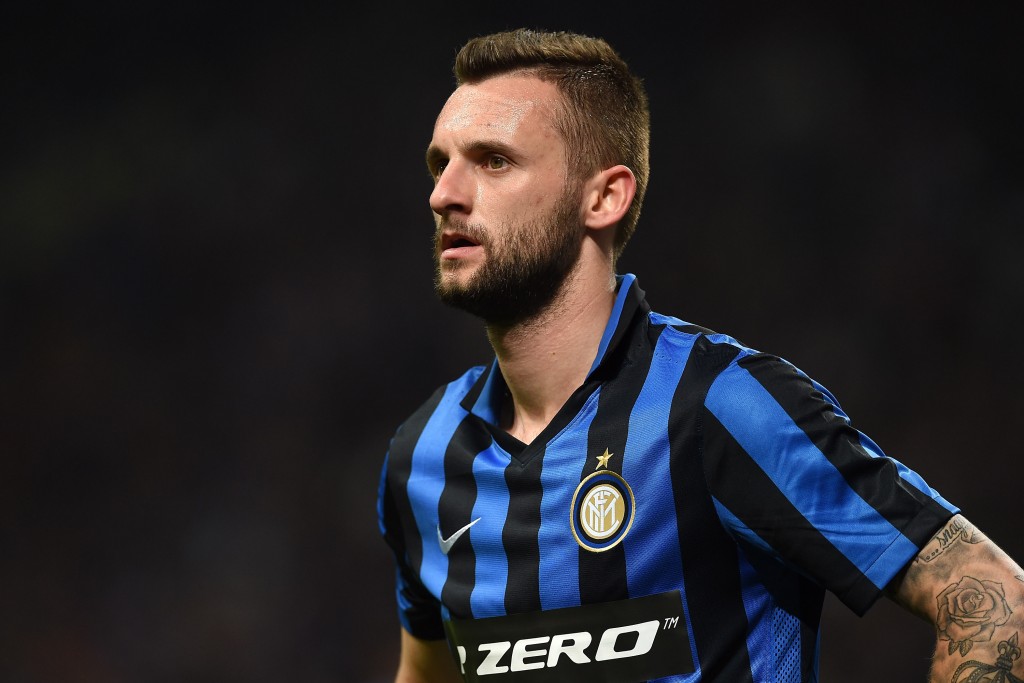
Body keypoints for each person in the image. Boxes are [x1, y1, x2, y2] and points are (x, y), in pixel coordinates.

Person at [376, 28, 1024, 682]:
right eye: (440, 163)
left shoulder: (719, 406)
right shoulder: (422, 455)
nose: (443, 195)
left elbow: (995, 602)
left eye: (493, 160)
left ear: (604, 197)